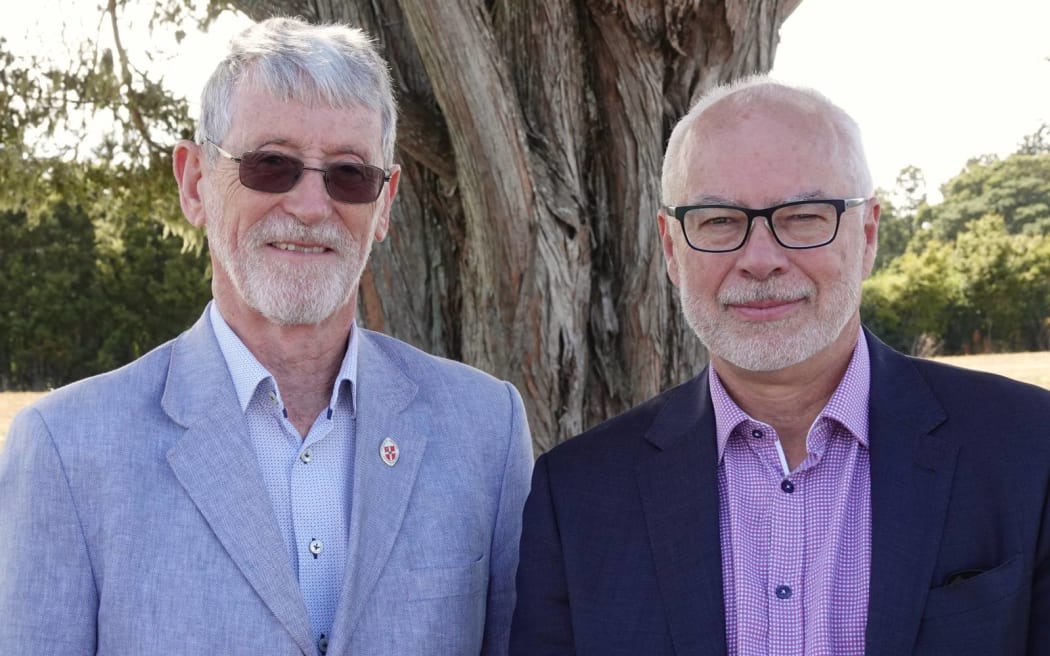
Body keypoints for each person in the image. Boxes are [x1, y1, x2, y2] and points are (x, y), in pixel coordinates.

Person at [0, 16, 533, 656]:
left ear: (385, 203)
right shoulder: (67, 450)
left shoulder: (485, 431)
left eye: (348, 174)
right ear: (195, 183)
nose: (311, 206)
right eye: (271, 165)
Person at [510, 75, 1050, 655]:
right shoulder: (578, 494)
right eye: (718, 220)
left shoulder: (1028, 448)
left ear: (867, 235)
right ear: (671, 248)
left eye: (802, 217)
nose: (760, 259)